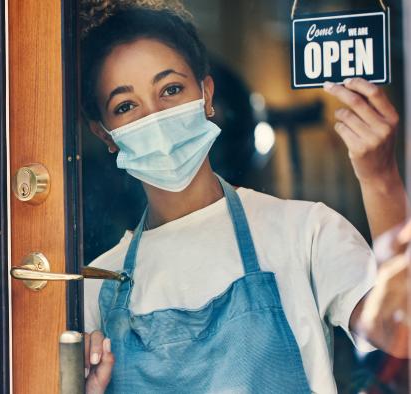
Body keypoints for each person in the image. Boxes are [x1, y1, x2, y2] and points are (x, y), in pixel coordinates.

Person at [80, 5, 408, 393]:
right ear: (104, 135)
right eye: (125, 106)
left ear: (205, 95)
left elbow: (398, 338)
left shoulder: (305, 232)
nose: (155, 116)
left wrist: (380, 179)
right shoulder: (94, 289)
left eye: (170, 89)